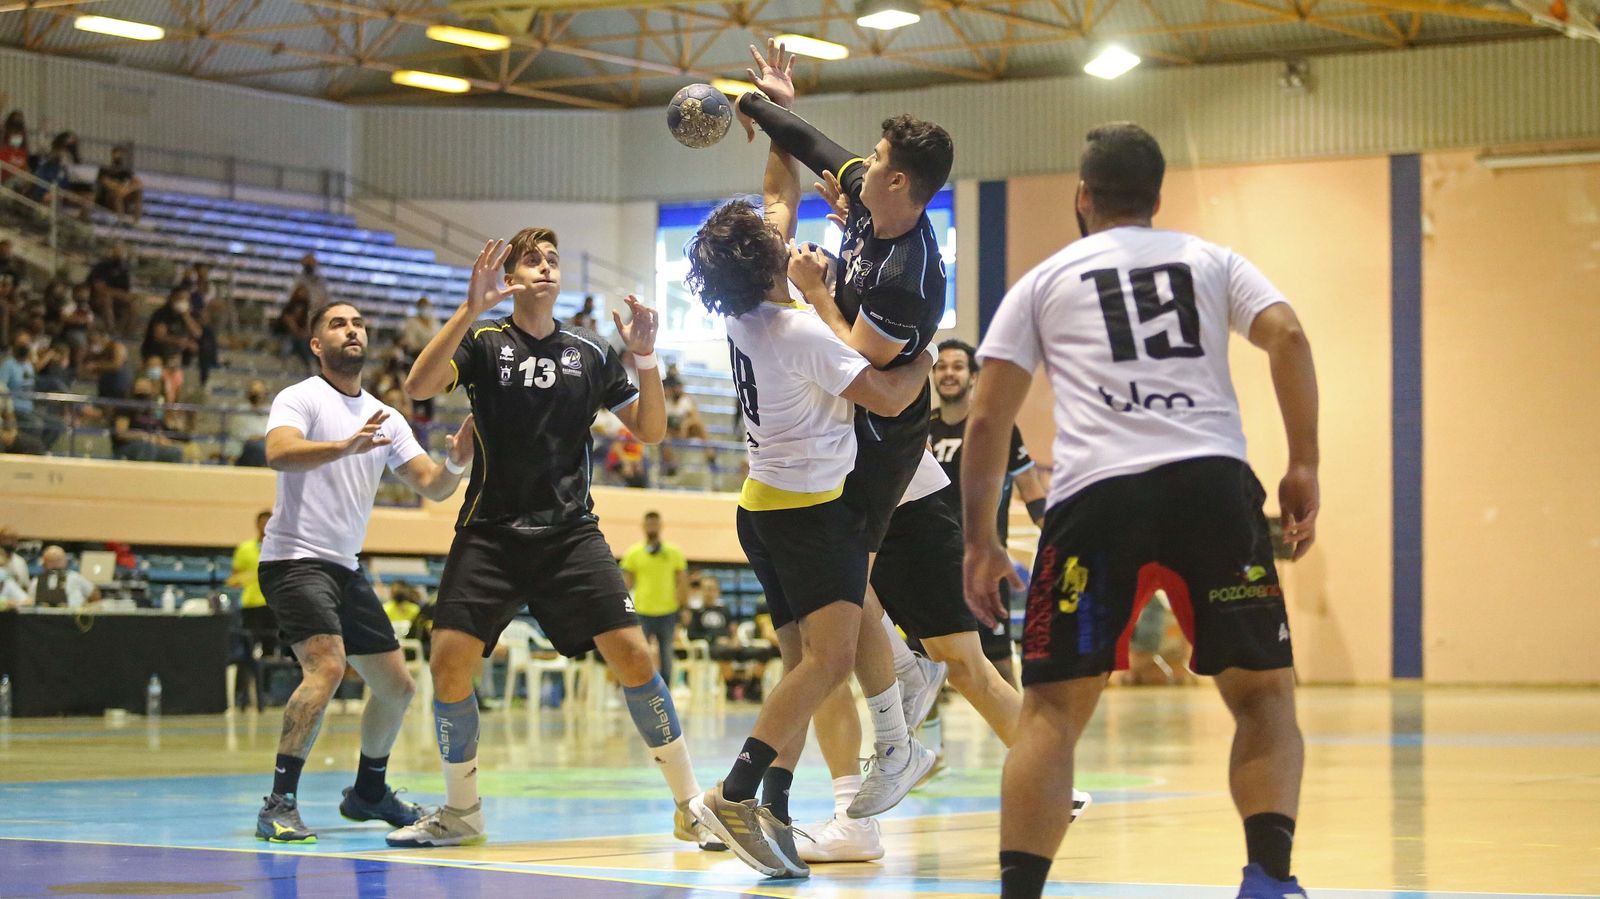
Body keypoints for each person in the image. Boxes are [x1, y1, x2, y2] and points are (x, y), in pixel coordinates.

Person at [961, 122, 1320, 899]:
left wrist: (980, 542)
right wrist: (1304, 463)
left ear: (1083, 197)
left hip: (1098, 499)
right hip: (1212, 488)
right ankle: (1269, 878)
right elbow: (1287, 335)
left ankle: (1020, 892)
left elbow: (987, 420)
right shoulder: (1212, 260)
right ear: (1157, 199)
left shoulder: (1044, 280)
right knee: (1263, 695)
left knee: (1052, 710)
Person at [681, 86, 937, 875]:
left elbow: (775, 194)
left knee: (803, 669)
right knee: (825, 664)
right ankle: (733, 791)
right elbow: (892, 393)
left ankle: (776, 811)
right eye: (767, 234)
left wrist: (775, 124)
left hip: (760, 507)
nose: (774, 224)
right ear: (766, 261)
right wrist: (933, 353)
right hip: (810, 515)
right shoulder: (800, 328)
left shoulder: (744, 311)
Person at [397, 230, 719, 851]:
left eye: (552, 260)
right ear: (511, 277)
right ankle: (462, 812)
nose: (544, 268)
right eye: (531, 260)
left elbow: (651, 429)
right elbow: (417, 386)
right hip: (489, 531)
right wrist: (470, 307)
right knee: (448, 665)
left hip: (570, 533)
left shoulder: (592, 352)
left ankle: (689, 804)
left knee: (635, 656)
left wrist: (645, 357)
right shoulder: (486, 343)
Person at [253, 299, 476, 845]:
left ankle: (368, 793)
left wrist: (457, 460)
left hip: (344, 569)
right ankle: (278, 803)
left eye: (357, 324)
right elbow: (279, 453)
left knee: (397, 687)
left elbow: (433, 485)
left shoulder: (387, 415)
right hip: (293, 559)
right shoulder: (299, 397)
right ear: (316, 344)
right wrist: (342, 447)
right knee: (326, 668)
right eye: (338, 324)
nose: (351, 330)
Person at [927, 338, 1050, 684]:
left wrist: (1056, 537)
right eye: (941, 367)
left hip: (981, 562)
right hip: (928, 562)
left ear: (973, 376)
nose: (948, 374)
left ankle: (1019, 738)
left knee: (998, 662)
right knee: (923, 662)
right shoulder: (920, 426)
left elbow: (1030, 489)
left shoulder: (995, 428)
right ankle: (922, 739)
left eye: (957, 366)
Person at [619, 511, 689, 686]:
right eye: (649, 524)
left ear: (661, 526)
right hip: (642, 611)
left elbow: (682, 581)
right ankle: (640, 687)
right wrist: (621, 609)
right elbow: (626, 585)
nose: (652, 527)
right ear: (643, 526)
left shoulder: (674, 553)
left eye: (655, 523)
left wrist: (684, 607)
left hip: (668, 611)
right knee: (638, 654)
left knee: (666, 655)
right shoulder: (633, 553)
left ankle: (666, 690)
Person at [226, 510, 274, 654]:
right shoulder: (244, 549)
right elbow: (234, 578)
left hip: (272, 604)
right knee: (248, 645)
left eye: (268, 523)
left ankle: (267, 676)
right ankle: (246, 675)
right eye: (262, 523)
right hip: (251, 604)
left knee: (270, 646)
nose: (265, 526)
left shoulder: (280, 549)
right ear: (257, 525)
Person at [29, 545, 102, 608]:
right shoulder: (37, 580)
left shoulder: (75, 577)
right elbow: (31, 601)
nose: (55, 563)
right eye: (51, 561)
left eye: (58, 560)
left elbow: (94, 595)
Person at [95, 144, 144, 223]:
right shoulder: (105, 169)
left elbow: (138, 183)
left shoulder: (125, 171)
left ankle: (136, 221)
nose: (121, 156)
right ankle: (120, 221)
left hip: (122, 194)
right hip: (107, 198)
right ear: (113, 154)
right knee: (116, 190)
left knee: (138, 191)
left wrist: (127, 189)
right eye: (119, 153)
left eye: (123, 154)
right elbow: (104, 182)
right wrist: (120, 188)